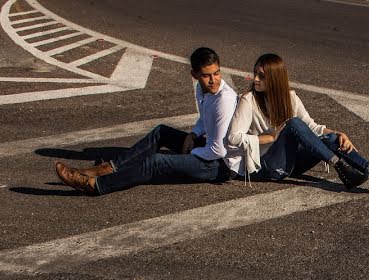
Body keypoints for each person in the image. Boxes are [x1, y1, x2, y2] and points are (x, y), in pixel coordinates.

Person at [53, 47, 239, 195]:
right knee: (161, 132)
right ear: (195, 75)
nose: (213, 80)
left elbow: (219, 150)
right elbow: (206, 118)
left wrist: (187, 154)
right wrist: (193, 134)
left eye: (217, 73)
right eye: (207, 75)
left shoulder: (224, 99)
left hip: (220, 165)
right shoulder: (202, 88)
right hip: (210, 148)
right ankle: (109, 168)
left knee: (156, 162)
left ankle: (95, 185)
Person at [228, 53, 369, 196]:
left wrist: (339, 133)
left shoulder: (290, 98)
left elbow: (311, 127)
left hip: (292, 162)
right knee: (293, 123)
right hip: (267, 167)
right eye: (255, 73)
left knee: (331, 138)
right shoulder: (248, 100)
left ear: (275, 79)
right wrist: (270, 137)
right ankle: (340, 167)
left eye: (262, 76)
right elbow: (233, 137)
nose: (256, 79)